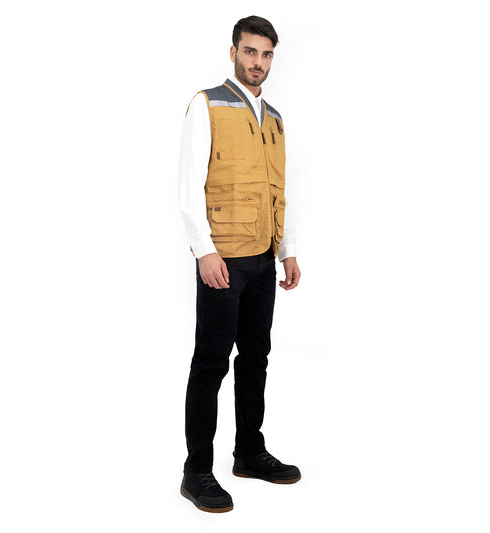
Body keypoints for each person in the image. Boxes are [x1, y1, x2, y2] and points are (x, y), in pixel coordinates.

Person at [178, 15, 302, 513]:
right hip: (222, 258)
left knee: (255, 358)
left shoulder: (274, 118)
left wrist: (288, 249)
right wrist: (203, 250)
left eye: (266, 54)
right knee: (211, 362)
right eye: (250, 51)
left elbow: (279, 188)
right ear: (233, 53)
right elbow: (190, 183)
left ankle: (249, 452)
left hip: (262, 259)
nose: (258, 62)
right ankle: (196, 472)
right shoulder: (207, 104)